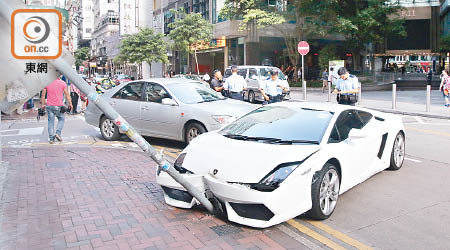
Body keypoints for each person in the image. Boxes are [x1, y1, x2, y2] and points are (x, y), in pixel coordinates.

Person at [41, 75, 73, 144]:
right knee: (61, 119)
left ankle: (51, 138)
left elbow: (43, 95)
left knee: (50, 122)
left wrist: (43, 105)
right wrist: (70, 104)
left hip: (49, 106)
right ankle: (58, 133)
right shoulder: (62, 83)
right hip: (59, 106)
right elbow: (67, 94)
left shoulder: (47, 83)